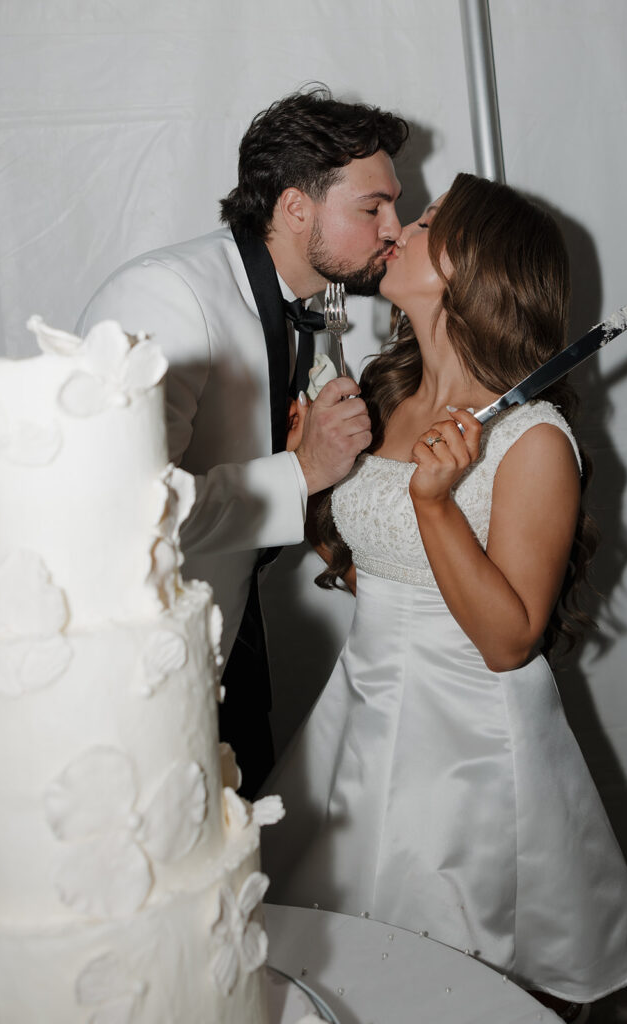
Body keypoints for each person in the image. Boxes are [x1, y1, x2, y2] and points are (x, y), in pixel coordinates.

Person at [262, 173, 627, 1020]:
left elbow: (508, 641)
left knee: (443, 973)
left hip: (467, 745)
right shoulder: (385, 388)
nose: (398, 227)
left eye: (429, 220)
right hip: (360, 712)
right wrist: (311, 478)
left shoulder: (532, 440)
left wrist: (435, 502)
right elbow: (373, 568)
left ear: (471, 265)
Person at [76, 87, 408, 797]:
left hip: (234, 633)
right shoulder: (165, 297)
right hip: (144, 663)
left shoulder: (305, 307)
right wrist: (301, 469)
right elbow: (120, 512)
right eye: (372, 207)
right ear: (295, 208)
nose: (393, 228)